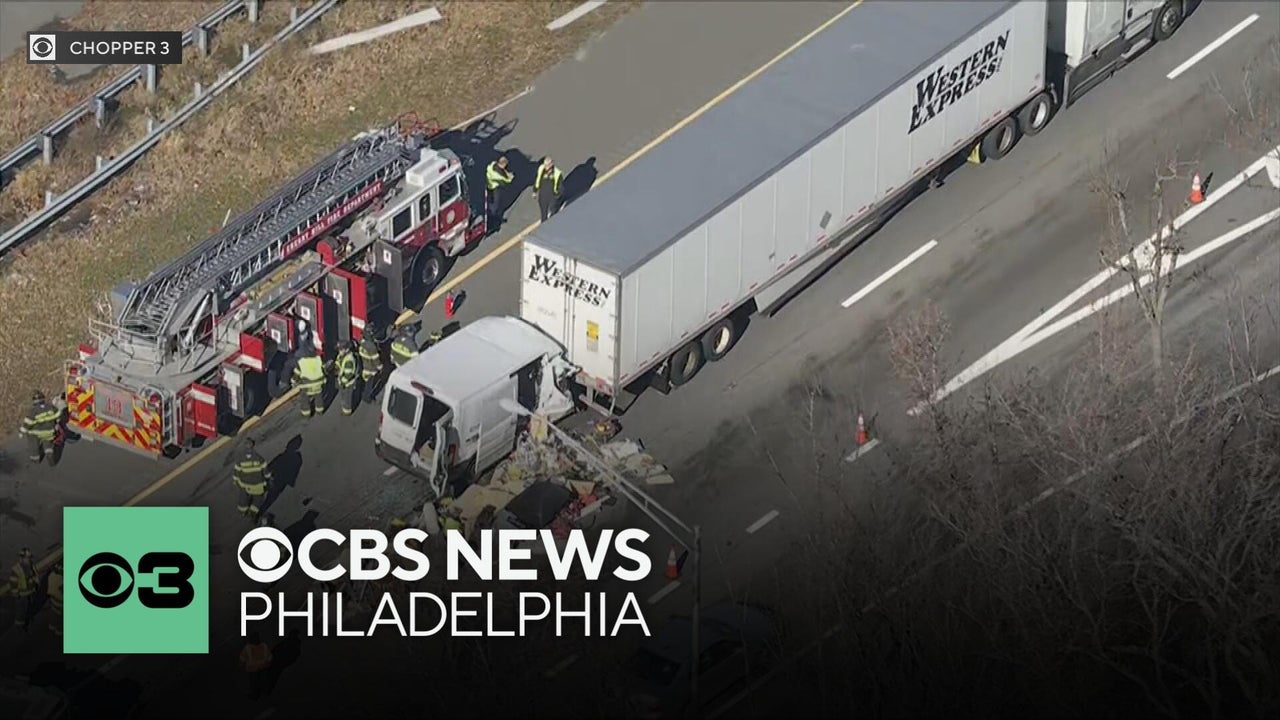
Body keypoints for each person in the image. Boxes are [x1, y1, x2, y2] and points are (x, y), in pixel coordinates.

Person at [233, 438, 273, 521]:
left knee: (243, 498)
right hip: (257, 484)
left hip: (244, 484)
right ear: (253, 446)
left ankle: (242, 511)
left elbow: (236, 471)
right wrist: (269, 478)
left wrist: (236, 481)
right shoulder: (259, 458)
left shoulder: (240, 459)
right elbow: (266, 472)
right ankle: (252, 513)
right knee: (258, 499)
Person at [19, 390, 60, 464]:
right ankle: (49, 454)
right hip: (50, 431)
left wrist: (21, 432)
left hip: (37, 433)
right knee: (48, 443)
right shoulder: (51, 407)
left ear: (34, 401)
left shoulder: (33, 411)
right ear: (43, 399)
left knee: (33, 443)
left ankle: (35, 459)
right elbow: (58, 415)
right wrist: (57, 423)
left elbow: (27, 424)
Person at [292, 347, 328, 418]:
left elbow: (296, 374)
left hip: (306, 386)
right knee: (318, 397)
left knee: (304, 398)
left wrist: (293, 382)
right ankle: (319, 411)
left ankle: (306, 414)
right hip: (318, 384)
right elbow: (324, 370)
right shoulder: (319, 360)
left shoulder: (301, 362)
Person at [239, 631, 273, 699]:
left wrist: (241, 665)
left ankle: (255, 696)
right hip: (263, 668)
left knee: (254, 684)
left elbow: (242, 659)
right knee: (264, 681)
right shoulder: (264, 646)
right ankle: (265, 693)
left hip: (252, 670)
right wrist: (268, 664)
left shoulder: (247, 648)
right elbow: (270, 657)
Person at [9, 548, 37, 630]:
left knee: (28, 608)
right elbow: (13, 583)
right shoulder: (16, 569)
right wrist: (16, 594)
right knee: (20, 611)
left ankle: (26, 621)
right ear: (21, 558)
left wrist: (34, 586)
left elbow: (34, 577)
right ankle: (19, 627)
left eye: (29, 557)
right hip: (21, 595)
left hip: (30, 593)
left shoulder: (31, 566)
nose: (29, 559)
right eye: (27, 558)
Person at [484, 155, 514, 228]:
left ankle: (490, 217)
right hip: (495, 188)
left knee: (491, 203)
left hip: (489, 186)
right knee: (495, 205)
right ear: (502, 164)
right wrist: (510, 177)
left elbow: (503, 172)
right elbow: (506, 181)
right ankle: (493, 222)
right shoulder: (498, 175)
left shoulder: (492, 165)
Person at [335, 340, 362, 416]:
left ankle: (347, 412)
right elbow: (338, 363)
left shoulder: (349, 360)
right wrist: (335, 368)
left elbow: (348, 375)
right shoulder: (341, 356)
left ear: (347, 349)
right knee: (343, 395)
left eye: (341, 349)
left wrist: (342, 382)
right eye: (339, 349)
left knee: (347, 398)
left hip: (348, 383)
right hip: (342, 381)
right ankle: (345, 408)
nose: (339, 351)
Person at [533, 157, 564, 222]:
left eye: (547, 165)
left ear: (551, 164)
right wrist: (535, 191)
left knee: (553, 212)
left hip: (552, 197)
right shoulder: (541, 169)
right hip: (542, 197)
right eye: (545, 165)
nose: (546, 167)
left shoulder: (557, 173)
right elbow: (538, 180)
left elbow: (561, 187)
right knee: (543, 215)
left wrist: (556, 197)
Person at [358, 332, 384, 396]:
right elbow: (376, 360)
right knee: (369, 386)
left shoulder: (361, 343)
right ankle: (367, 397)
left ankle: (361, 392)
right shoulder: (372, 347)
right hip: (371, 370)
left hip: (364, 366)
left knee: (363, 383)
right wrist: (380, 367)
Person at [47, 561, 63, 636]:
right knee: (61, 618)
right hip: (61, 603)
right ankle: (59, 631)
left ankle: (52, 626)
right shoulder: (62, 580)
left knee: (53, 614)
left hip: (53, 600)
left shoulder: (51, 575)